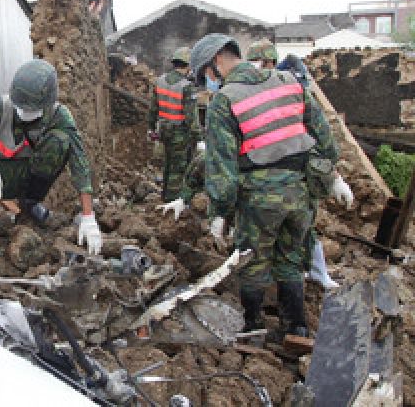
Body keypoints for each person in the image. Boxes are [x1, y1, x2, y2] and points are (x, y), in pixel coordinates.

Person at [189, 33, 341, 338]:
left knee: (253, 264)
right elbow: (326, 141)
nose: (208, 80)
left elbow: (222, 167)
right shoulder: (289, 80)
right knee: (291, 260)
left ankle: (252, 328)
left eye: (206, 72)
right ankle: (296, 327)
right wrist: (327, 178)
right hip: (300, 195)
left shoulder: (225, 99)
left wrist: (219, 211)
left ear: (218, 60)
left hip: (259, 200)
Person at [0, 59, 101, 262]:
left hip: (31, 177)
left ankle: (30, 204)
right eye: (21, 106)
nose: (24, 112)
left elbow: (79, 161)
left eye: (31, 108)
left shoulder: (59, 116)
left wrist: (88, 216)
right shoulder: (0, 107)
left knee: (60, 142)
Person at [248, 39, 352, 289]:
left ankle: (313, 273)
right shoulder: (250, 93)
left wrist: (335, 178)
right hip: (266, 177)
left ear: (270, 62)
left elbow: (320, 141)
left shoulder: (291, 88)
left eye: (260, 63)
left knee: (302, 227)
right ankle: (292, 276)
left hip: (298, 173)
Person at [147, 47, 203, 202]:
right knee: (178, 168)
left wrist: (151, 127)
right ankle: (172, 200)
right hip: (179, 132)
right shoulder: (186, 86)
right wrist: (198, 138)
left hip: (164, 130)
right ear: (188, 65)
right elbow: (191, 116)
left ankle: (164, 195)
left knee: (168, 162)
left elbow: (153, 108)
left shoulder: (160, 81)